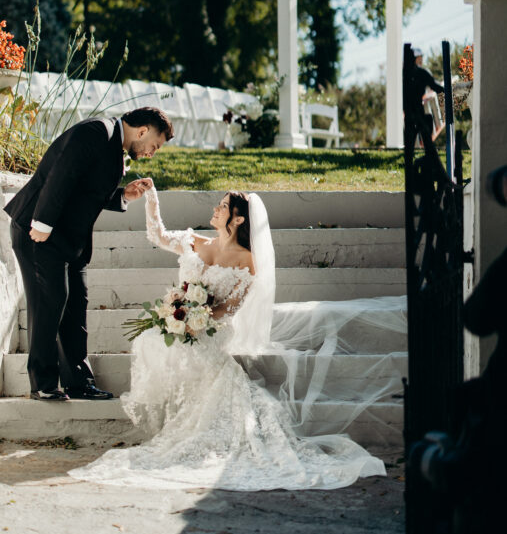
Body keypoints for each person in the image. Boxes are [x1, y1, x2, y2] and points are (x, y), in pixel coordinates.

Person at [69, 183, 386, 490]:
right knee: (152, 338)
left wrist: (199, 317)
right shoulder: (195, 241)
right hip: (183, 323)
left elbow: (231, 308)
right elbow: (157, 235)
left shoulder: (247, 260)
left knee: (194, 354)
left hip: (211, 330)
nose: (215, 209)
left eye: (222, 206)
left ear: (238, 218)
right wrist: (152, 199)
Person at [4, 108, 174, 401]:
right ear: (143, 131)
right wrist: (43, 222)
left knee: (75, 304)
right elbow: (61, 176)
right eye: (155, 146)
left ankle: (79, 383)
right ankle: (43, 383)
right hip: (38, 229)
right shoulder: (96, 132)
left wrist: (123, 195)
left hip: (70, 240)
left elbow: (84, 189)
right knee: (50, 302)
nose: (151, 153)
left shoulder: (111, 142)